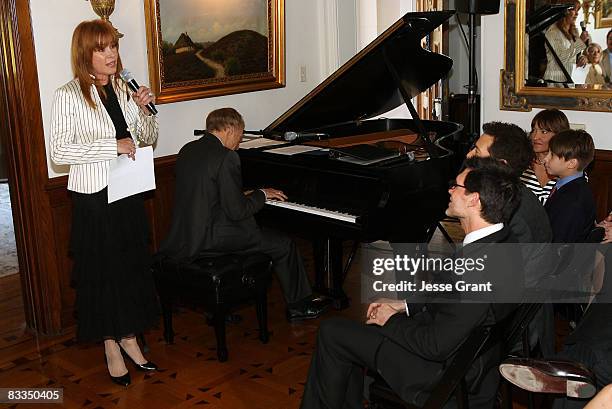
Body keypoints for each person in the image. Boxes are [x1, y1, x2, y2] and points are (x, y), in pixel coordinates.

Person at [300, 160, 522, 409]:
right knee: (348, 337)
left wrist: (390, 319)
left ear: (474, 201)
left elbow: (435, 345)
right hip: (473, 361)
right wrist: (404, 305)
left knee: (332, 332)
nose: (449, 190)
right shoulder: (504, 242)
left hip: (443, 375)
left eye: (456, 186)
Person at [50, 20, 159, 387]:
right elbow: (59, 150)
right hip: (94, 198)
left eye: (112, 46)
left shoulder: (123, 88)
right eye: (101, 48)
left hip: (126, 193)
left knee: (129, 269)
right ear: (85, 53)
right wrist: (110, 146)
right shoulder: (68, 95)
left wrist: (144, 110)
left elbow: (145, 139)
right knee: (103, 273)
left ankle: (129, 336)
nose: (111, 54)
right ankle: (111, 344)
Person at [157, 107, 326, 322]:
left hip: (186, 236)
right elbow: (237, 212)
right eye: (241, 133)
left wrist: (243, 194)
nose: (240, 139)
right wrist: (261, 194)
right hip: (214, 239)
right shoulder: (227, 157)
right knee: (283, 244)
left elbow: (206, 193)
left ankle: (221, 307)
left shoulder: (188, 150)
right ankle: (299, 305)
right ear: (229, 129)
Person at [543, 129, 596, 243]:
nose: (545, 159)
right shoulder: (567, 185)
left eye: (551, 155)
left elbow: (559, 243)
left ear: (571, 163)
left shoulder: (573, 201)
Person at [520, 109, 570, 204]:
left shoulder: (568, 167)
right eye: (534, 130)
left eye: (544, 132)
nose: (535, 137)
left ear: (558, 135)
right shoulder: (521, 163)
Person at [543, 0, 589, 83]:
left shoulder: (575, 32)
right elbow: (561, 58)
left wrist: (582, 58)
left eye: (578, 10)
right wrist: (580, 42)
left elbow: (573, 54)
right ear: (564, 11)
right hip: (555, 81)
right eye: (574, 9)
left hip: (570, 79)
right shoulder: (552, 32)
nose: (577, 14)